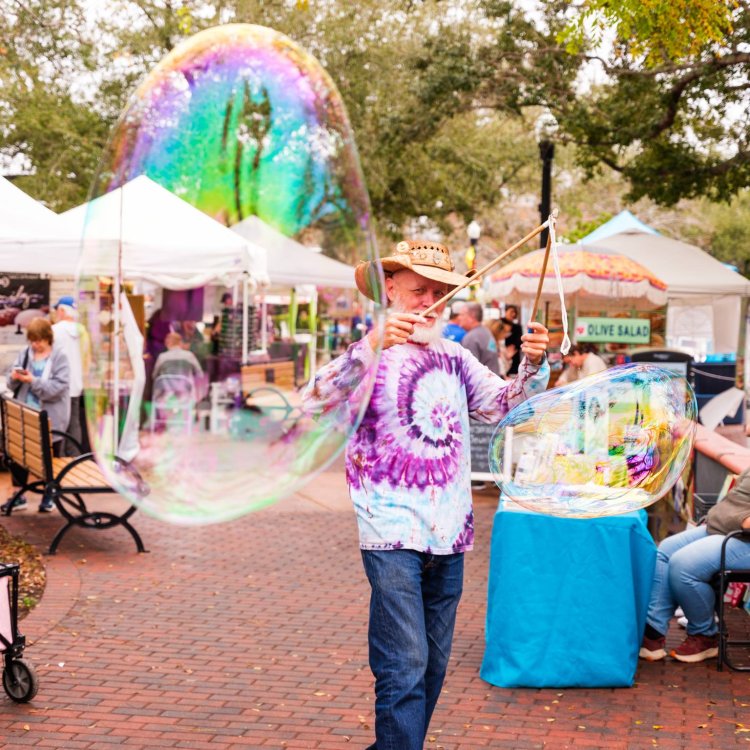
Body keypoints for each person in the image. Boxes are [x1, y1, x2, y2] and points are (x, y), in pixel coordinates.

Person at [302, 239, 550, 750]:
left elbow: (506, 406)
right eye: (419, 291)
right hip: (390, 530)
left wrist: (531, 366)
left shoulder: (455, 357)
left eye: (440, 292)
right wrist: (368, 347)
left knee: (432, 664)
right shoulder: (369, 353)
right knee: (406, 660)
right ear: (390, 289)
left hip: (450, 532)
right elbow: (310, 403)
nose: (429, 302)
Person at [640, 468, 750, 663]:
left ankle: (705, 635)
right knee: (666, 549)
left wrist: (738, 520)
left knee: (683, 564)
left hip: (743, 538)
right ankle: (653, 632)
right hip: (724, 528)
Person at [1, 317, 70, 513]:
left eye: (39, 340)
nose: (35, 345)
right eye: (32, 340)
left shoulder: (59, 357)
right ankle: (18, 494)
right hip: (26, 414)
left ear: (48, 338)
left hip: (51, 417)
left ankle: (50, 495)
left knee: (51, 457)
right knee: (18, 454)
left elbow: (58, 388)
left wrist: (33, 381)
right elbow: (10, 381)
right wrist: (14, 378)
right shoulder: (25, 354)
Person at [52, 296, 90, 456]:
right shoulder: (82, 331)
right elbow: (87, 358)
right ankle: (75, 458)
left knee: (59, 423)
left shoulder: (55, 330)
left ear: (61, 310)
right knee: (74, 422)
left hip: (59, 384)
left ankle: (59, 459)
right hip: (76, 384)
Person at [455, 301, 500, 375]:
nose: (459, 317)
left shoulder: (471, 338)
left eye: (462, 314)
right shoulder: (486, 331)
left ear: (471, 317)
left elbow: (469, 371)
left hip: (483, 384)